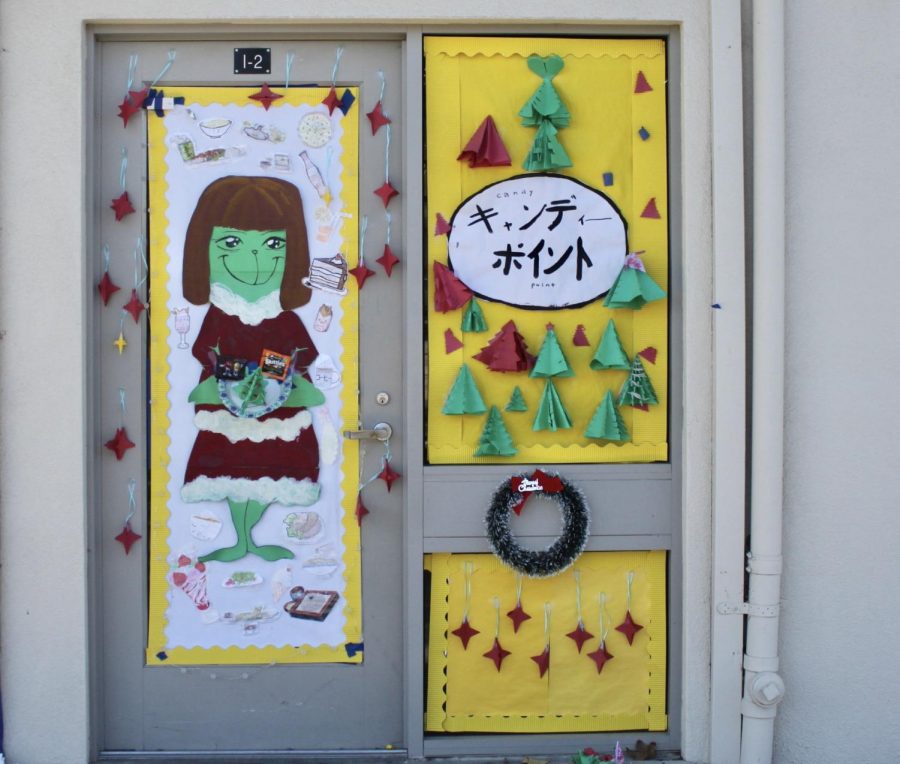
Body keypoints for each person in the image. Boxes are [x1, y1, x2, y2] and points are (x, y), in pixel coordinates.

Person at [180, 176, 324, 563]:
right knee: (234, 475)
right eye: (231, 244)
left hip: (281, 412)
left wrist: (271, 375)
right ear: (203, 250)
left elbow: (302, 354)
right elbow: (205, 352)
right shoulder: (220, 313)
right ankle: (240, 540)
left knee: (273, 477)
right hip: (227, 410)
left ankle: (252, 540)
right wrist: (239, 378)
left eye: (274, 244)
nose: (255, 260)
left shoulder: (282, 315)